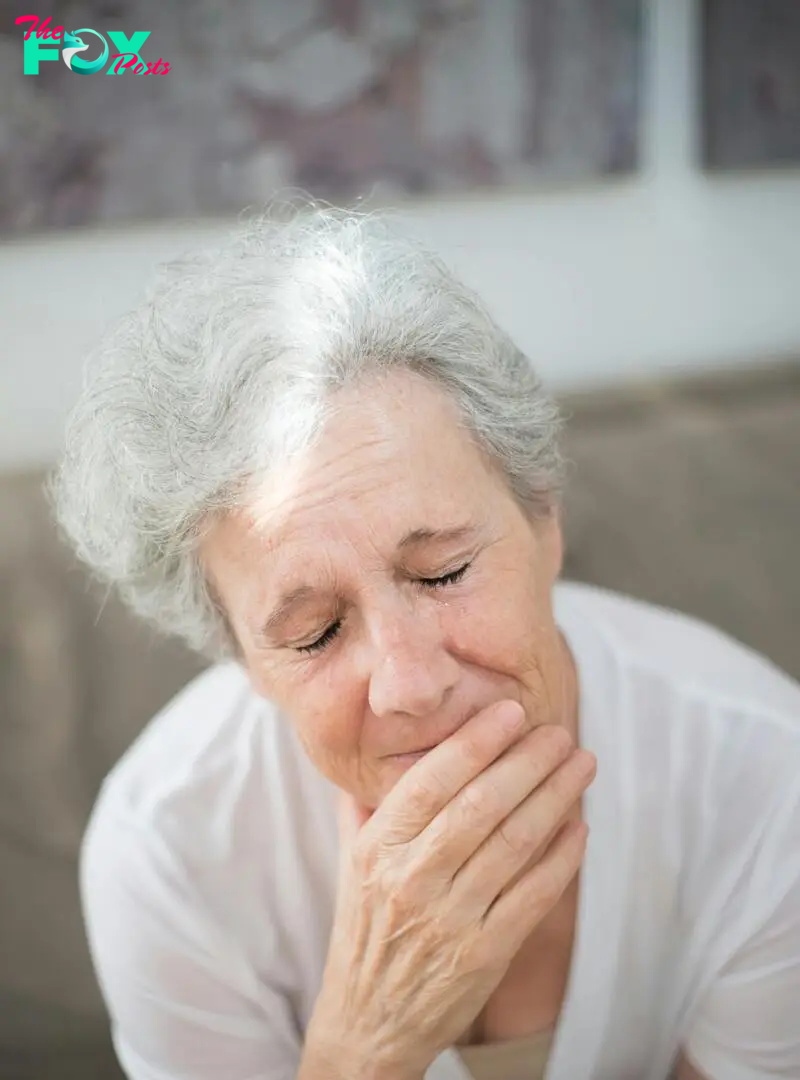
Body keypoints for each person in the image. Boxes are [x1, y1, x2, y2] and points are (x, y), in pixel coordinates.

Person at [50, 207, 800, 1080]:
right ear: (243, 662)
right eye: (315, 632)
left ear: (543, 520)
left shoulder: (765, 779)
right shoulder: (169, 849)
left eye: (443, 573)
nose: (408, 683)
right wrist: (365, 1048)